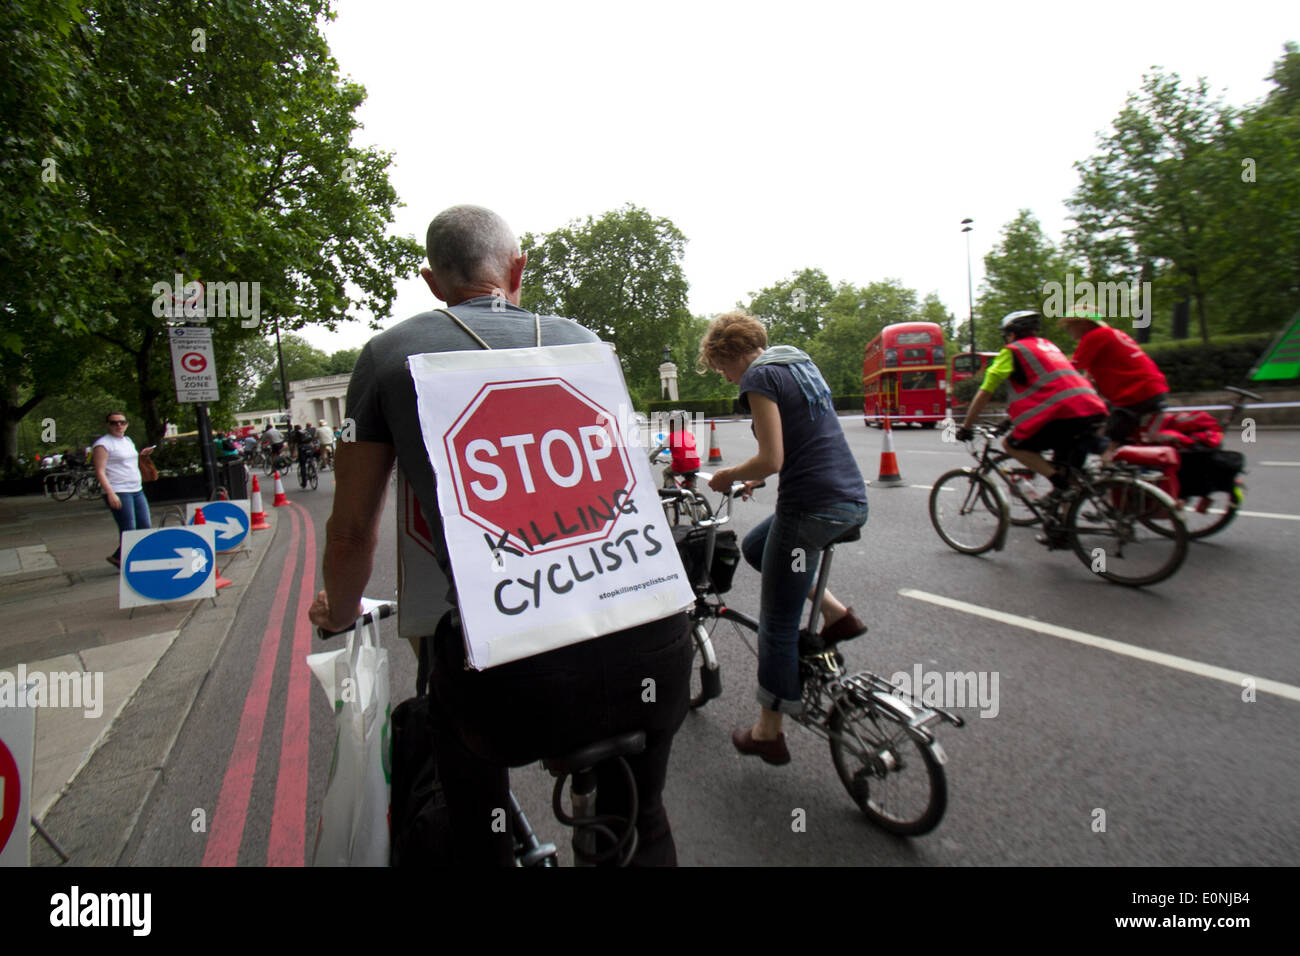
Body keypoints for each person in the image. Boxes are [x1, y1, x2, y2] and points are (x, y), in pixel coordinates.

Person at [307, 204, 692, 866]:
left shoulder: (388, 355)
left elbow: (351, 535)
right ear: (517, 268)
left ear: (432, 282)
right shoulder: (582, 340)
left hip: (510, 677)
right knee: (641, 819)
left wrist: (335, 613)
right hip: (655, 640)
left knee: (472, 824)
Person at [699, 311, 869, 766]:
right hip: (848, 500)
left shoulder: (758, 377)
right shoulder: (799, 363)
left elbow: (772, 457)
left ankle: (768, 731)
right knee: (756, 547)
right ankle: (837, 617)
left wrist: (730, 475)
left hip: (808, 508)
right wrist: (754, 481)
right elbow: (804, 443)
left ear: (727, 354)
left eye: (722, 369)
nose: (727, 378)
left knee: (776, 620)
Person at [957, 311, 1108, 544]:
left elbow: (984, 392)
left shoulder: (1013, 352)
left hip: (1065, 414)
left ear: (1011, 334)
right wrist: (1009, 420)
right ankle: (1062, 534)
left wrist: (966, 426)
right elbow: (1043, 389)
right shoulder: (1049, 347)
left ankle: (1060, 485)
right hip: (1091, 409)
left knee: (1012, 445)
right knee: (1065, 468)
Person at [1060, 311, 1169, 455]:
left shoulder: (1094, 336)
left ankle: (1109, 461)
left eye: (1070, 325)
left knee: (1110, 437)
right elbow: (1087, 377)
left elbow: (1067, 369)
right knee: (1101, 415)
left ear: (1084, 323)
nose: (1068, 330)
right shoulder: (1109, 334)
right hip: (1151, 389)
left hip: (1136, 393)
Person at [92, 412, 153, 568]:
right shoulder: (103, 444)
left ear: (127, 424)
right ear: (108, 425)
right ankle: (130, 560)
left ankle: (120, 557)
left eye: (122, 422)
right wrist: (111, 493)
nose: (118, 425)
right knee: (129, 529)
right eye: (114, 423)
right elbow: (100, 471)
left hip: (136, 489)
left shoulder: (127, 440)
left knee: (145, 525)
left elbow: (127, 461)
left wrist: (142, 455)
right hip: (119, 490)